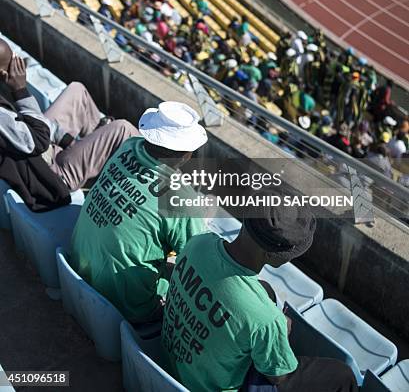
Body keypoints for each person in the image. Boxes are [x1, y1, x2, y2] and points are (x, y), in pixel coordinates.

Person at [161, 206, 358, 392]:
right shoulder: (266, 319)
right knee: (341, 375)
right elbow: (280, 378)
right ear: (273, 256)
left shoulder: (199, 243)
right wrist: (280, 331)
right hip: (208, 387)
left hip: (169, 363)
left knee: (266, 292)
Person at [70, 101, 208, 324]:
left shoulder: (128, 146)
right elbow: (199, 265)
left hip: (77, 267)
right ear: (187, 154)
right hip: (127, 305)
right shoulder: (181, 198)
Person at [0, 39, 138, 211]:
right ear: (4, 74)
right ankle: (167, 185)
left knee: (76, 91)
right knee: (122, 128)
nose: (18, 67)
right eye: (13, 63)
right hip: (52, 174)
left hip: (45, 152)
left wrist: (65, 139)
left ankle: (96, 155)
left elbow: (26, 129)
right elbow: (38, 141)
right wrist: (20, 90)